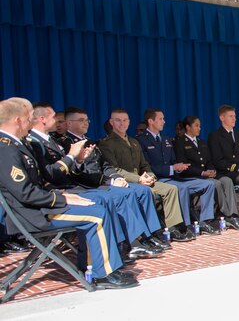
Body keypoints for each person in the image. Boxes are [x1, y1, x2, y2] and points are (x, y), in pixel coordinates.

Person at [0, 97, 137, 288]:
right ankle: (103, 274)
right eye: (29, 117)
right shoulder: (6, 148)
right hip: (33, 214)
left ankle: (98, 266)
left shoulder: (17, 145)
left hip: (40, 206)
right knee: (96, 215)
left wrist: (64, 196)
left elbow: (39, 181)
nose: (31, 122)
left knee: (96, 206)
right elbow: (26, 193)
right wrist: (61, 198)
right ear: (17, 120)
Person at [28, 103, 165, 259]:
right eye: (81, 120)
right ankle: (129, 243)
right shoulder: (62, 143)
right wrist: (109, 181)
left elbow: (104, 164)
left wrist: (116, 177)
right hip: (80, 186)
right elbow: (68, 174)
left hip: (88, 183)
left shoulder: (82, 140)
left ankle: (146, 236)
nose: (86, 123)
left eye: (87, 120)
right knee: (118, 196)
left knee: (139, 191)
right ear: (70, 123)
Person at [98, 109, 195, 242]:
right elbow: (114, 169)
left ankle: (172, 229)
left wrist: (150, 176)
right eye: (118, 120)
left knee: (171, 189)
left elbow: (144, 164)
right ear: (111, 122)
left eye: (125, 120)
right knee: (147, 192)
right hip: (126, 182)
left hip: (143, 179)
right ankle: (151, 233)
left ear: (129, 122)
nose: (122, 123)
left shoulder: (133, 141)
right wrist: (139, 179)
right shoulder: (106, 143)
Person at [137, 108, 219, 235]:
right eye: (160, 119)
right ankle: (185, 226)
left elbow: (174, 161)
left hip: (175, 178)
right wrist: (172, 168)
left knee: (208, 184)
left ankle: (204, 221)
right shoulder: (141, 140)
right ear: (151, 121)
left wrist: (179, 167)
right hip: (159, 180)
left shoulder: (165, 139)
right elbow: (146, 167)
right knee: (181, 188)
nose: (164, 122)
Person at [174, 115, 239, 231]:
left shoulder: (202, 142)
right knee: (216, 184)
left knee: (226, 181)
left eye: (200, 126)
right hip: (192, 177)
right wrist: (202, 173)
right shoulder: (180, 143)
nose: (199, 128)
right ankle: (227, 215)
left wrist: (211, 170)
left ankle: (233, 213)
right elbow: (184, 165)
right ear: (188, 127)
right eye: (196, 126)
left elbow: (209, 160)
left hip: (206, 175)